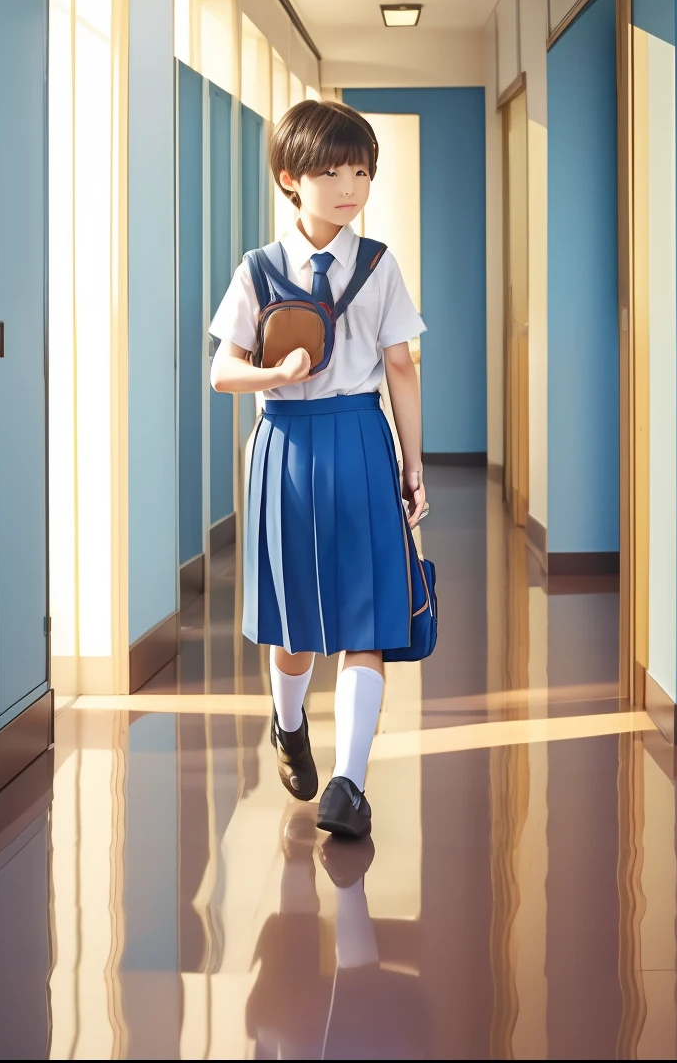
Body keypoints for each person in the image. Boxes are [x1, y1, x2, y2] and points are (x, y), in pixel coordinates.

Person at [209, 99, 429, 839]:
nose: (348, 185)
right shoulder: (259, 271)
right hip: (287, 448)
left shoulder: (378, 265)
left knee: (368, 616)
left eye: (361, 170)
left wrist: (413, 463)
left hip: (363, 443)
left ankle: (349, 785)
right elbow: (221, 371)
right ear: (289, 178)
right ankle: (290, 722)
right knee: (296, 619)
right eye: (329, 170)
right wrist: (279, 370)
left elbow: (401, 366)